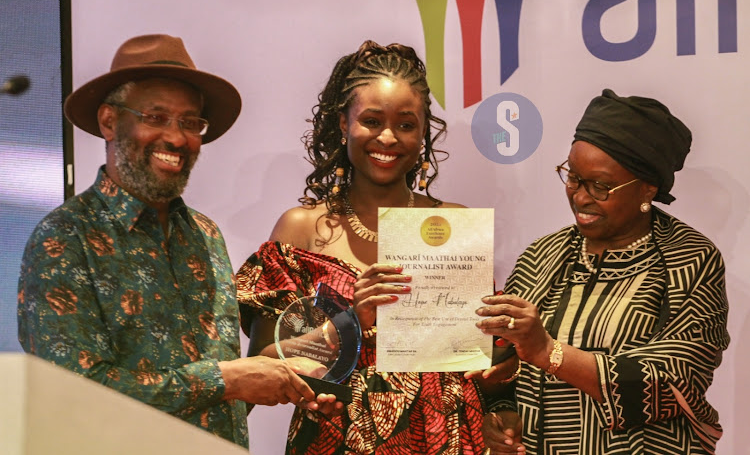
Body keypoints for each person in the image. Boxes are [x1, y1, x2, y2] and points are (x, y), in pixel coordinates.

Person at [17, 34, 335, 448]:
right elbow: (73, 394)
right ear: (109, 121)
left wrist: (279, 375)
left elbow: (219, 386)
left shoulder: (205, 235)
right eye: (156, 117)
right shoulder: (63, 239)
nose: (177, 138)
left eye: (190, 123)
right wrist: (225, 380)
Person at [235, 40, 520, 454]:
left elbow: (482, 363)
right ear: (342, 124)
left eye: (405, 124)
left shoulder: (453, 223)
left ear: (423, 132)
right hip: (336, 439)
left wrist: (506, 355)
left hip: (448, 438)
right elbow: (264, 359)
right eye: (371, 120)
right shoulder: (300, 229)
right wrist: (351, 320)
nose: (387, 137)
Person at [476, 89, 730, 454]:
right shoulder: (541, 255)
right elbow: (512, 368)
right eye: (573, 177)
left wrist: (549, 350)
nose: (580, 196)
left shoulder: (690, 260)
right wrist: (504, 414)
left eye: (601, 186)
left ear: (647, 189)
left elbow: (675, 384)